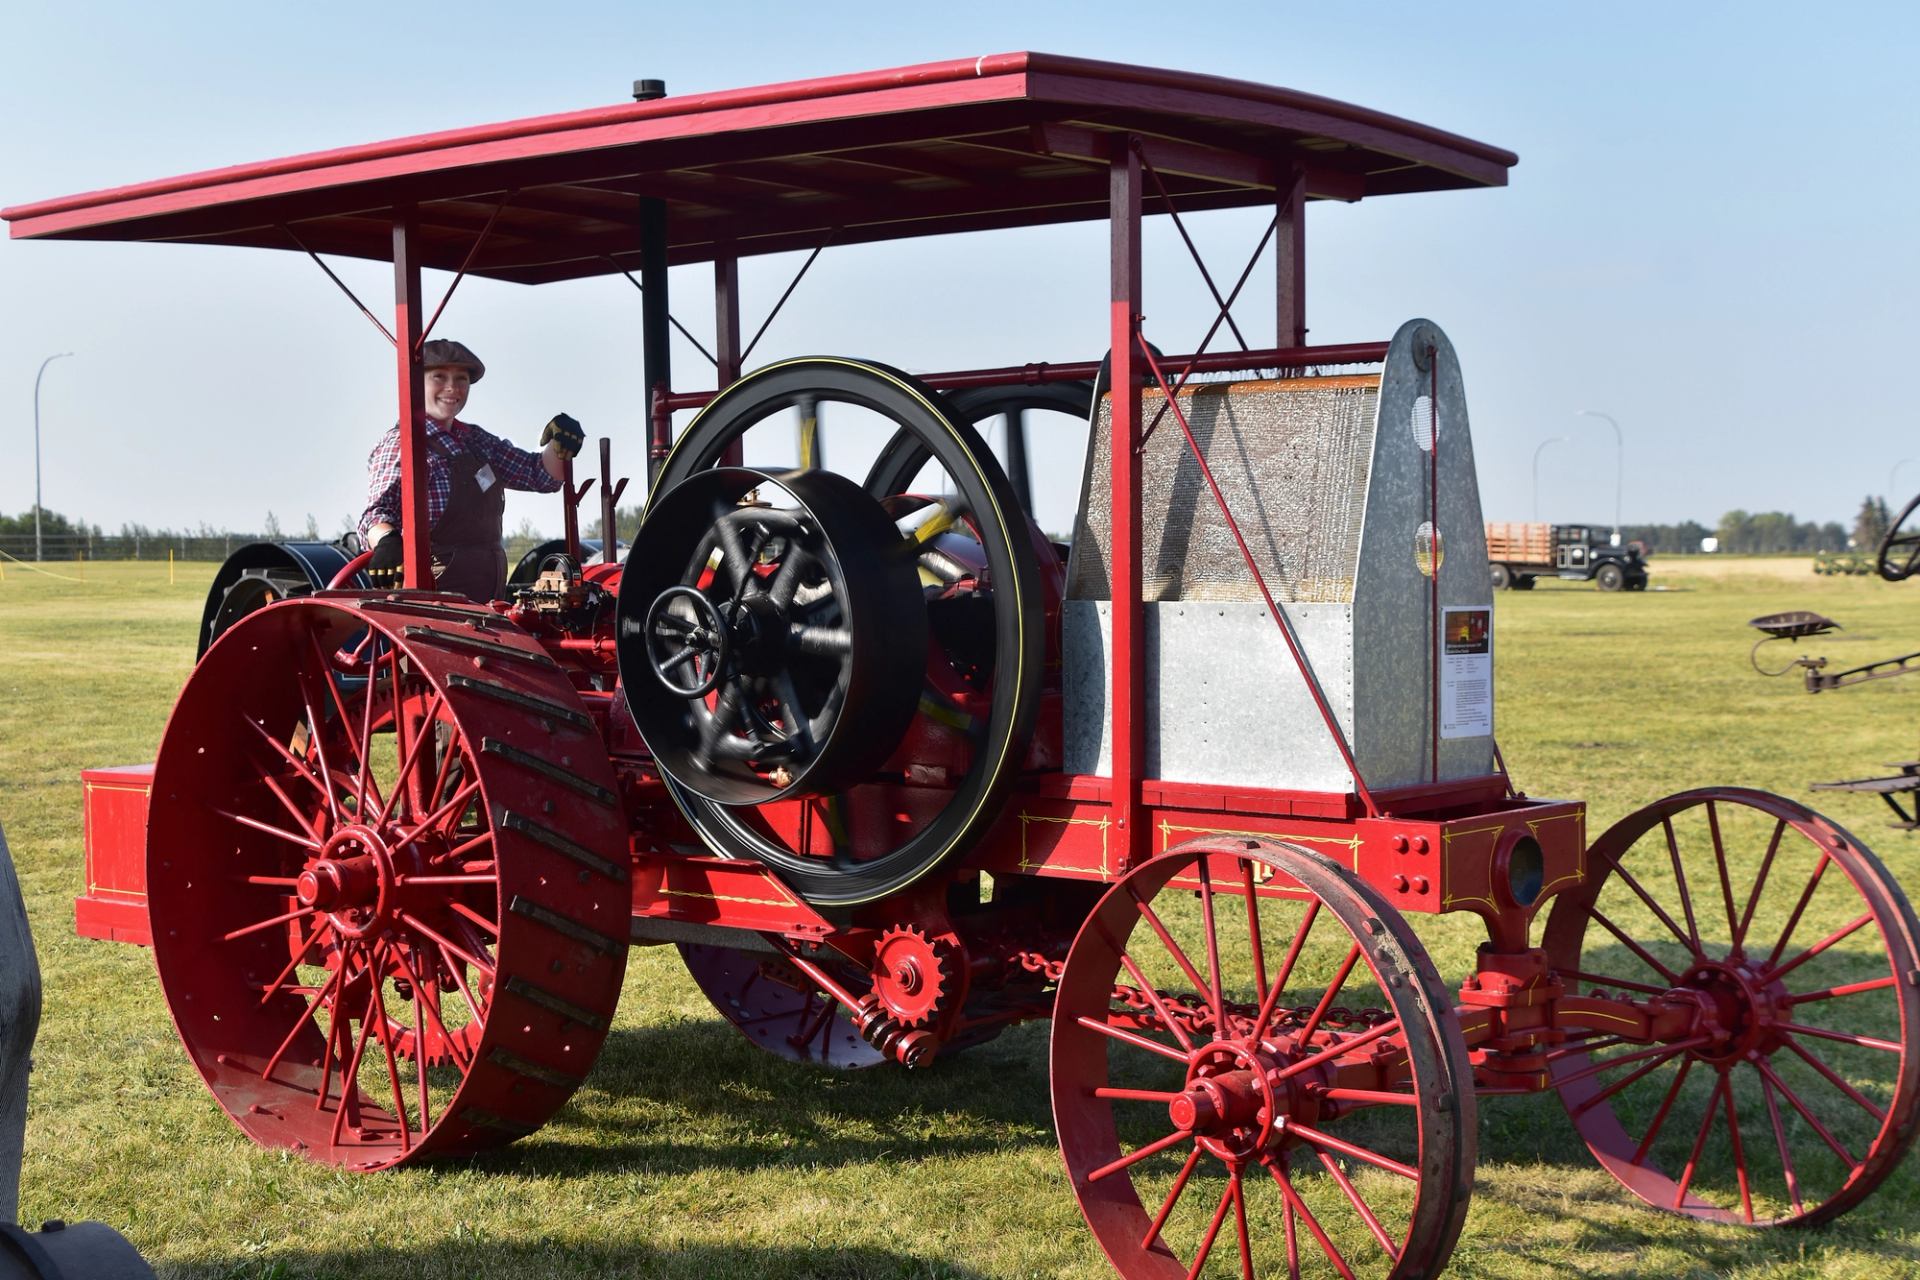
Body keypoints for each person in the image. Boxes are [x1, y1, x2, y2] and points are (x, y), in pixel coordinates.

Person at [359, 339, 584, 600]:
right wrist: (387, 542)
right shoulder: (403, 444)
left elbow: (539, 474)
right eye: (439, 377)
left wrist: (560, 444)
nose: (452, 388)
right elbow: (376, 513)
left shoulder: (476, 441)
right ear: (415, 383)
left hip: (488, 598)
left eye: (461, 379)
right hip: (436, 602)